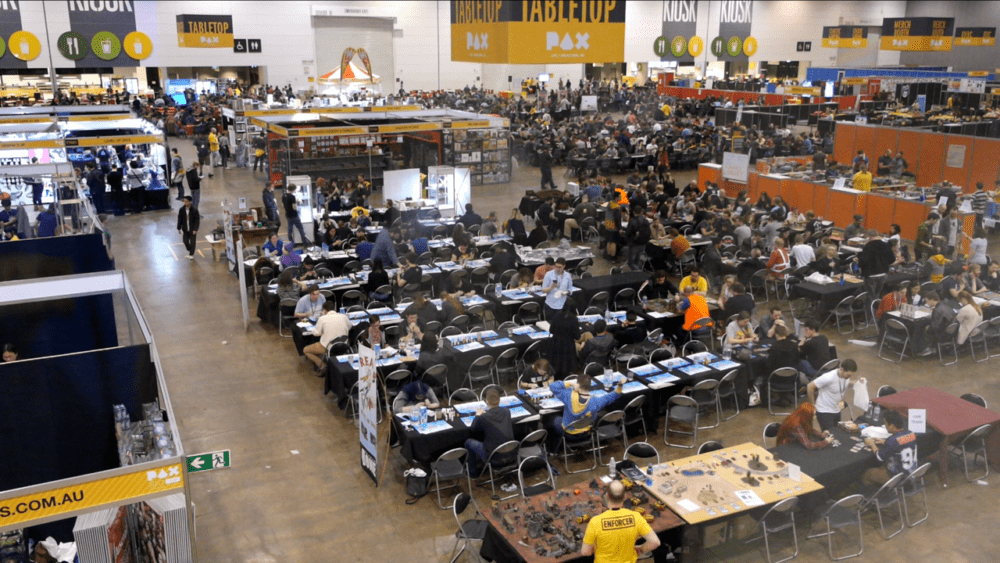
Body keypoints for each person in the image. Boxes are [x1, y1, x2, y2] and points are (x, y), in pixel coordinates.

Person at [581, 479, 661, 561]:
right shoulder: (636, 517)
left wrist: (598, 548)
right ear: (625, 497)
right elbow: (655, 542)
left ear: (607, 496)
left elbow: (585, 552)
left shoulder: (595, 522)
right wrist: (640, 549)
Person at [548, 371, 622, 449]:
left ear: (578, 384)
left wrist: (570, 383)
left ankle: (553, 449)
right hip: (586, 433)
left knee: (553, 418)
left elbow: (552, 386)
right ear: (590, 385)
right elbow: (613, 396)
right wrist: (620, 385)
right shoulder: (595, 401)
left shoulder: (568, 395)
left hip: (569, 434)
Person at [463, 388, 515, 477]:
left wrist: (477, 416)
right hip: (511, 455)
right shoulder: (507, 412)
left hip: (494, 458)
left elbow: (473, 429)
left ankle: (473, 473)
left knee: (468, 442)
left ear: (487, 402)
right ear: (499, 400)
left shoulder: (484, 417)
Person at [862, 410, 918, 486]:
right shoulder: (911, 433)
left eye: (885, 423)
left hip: (898, 478)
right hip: (911, 473)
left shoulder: (892, 440)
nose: (885, 426)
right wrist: (884, 442)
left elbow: (879, 457)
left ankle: (870, 492)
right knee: (881, 467)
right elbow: (901, 443)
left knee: (868, 474)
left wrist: (871, 444)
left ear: (891, 426)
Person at [807, 359, 859, 431]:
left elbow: (844, 384)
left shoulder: (845, 377)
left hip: (836, 409)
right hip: (824, 411)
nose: (848, 377)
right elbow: (810, 386)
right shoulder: (828, 377)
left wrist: (854, 383)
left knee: (837, 432)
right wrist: (812, 405)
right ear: (842, 369)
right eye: (848, 375)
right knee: (829, 434)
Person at [303, 301, 351, 374]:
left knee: (306, 350)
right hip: (344, 345)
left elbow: (316, 333)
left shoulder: (322, 318)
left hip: (328, 347)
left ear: (325, 311)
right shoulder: (344, 317)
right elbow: (349, 327)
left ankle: (323, 365)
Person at [547, 299, 581, 379]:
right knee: (566, 369)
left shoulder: (556, 315)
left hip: (556, 343)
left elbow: (551, 330)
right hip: (568, 346)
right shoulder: (573, 319)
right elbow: (577, 336)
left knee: (555, 366)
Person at [624, 204, 651, 271]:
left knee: (631, 263)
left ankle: (639, 273)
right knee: (637, 260)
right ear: (641, 212)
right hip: (643, 243)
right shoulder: (646, 220)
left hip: (634, 243)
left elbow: (628, 232)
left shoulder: (632, 221)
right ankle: (636, 273)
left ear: (634, 212)